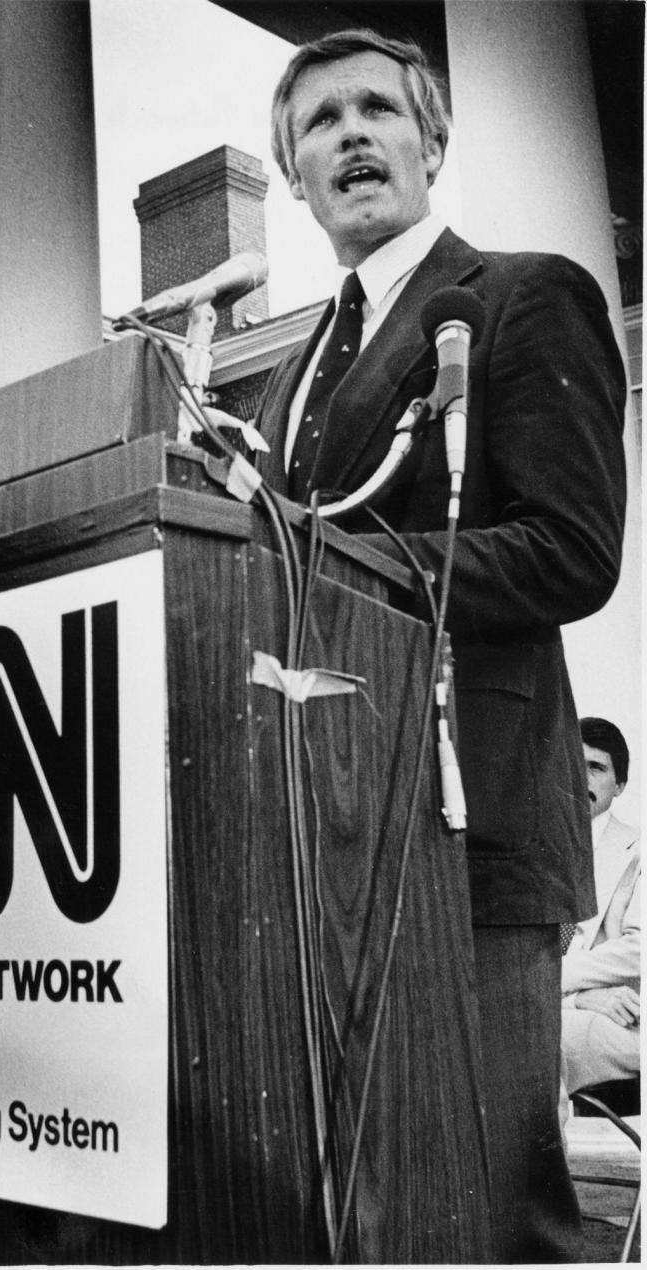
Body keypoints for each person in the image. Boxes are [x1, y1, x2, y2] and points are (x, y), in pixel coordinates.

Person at [253, 28, 627, 1264]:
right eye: (321, 122)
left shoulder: (522, 295)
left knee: (496, 1199)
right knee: (360, 1205)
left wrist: (363, 564)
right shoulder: (288, 382)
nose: (352, 134)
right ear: (296, 174)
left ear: (433, 140)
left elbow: (572, 550)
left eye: (378, 110)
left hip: (472, 819)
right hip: (314, 832)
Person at [561, 718, 639, 1094]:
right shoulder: (535, 851)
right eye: (572, 764)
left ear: (620, 785)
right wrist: (578, 997)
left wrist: (549, 979)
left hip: (626, 1017)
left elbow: (639, 951)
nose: (581, 778)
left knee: (538, 1041)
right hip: (572, 1005)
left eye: (596, 767)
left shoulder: (639, 851)